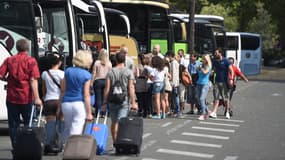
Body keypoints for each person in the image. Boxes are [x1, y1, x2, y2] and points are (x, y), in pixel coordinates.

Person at [0, 39, 42, 150]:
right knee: (29, 122)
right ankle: (28, 145)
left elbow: (1, 74)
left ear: (17, 48)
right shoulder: (31, 61)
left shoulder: (9, 60)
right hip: (27, 97)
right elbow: (33, 80)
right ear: (27, 48)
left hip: (12, 96)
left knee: (14, 124)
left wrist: (7, 79)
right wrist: (37, 98)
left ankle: (16, 146)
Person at [101, 51, 138, 144]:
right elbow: (131, 87)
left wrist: (104, 102)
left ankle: (115, 141)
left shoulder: (110, 72)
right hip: (124, 100)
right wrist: (133, 102)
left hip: (112, 99)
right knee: (121, 122)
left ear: (116, 60)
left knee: (114, 122)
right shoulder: (128, 72)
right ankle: (120, 142)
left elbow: (107, 88)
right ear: (124, 60)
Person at [61, 50, 93, 143]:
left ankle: (65, 146)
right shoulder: (87, 75)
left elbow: (63, 90)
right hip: (78, 103)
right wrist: (89, 112)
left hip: (66, 103)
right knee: (76, 128)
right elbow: (86, 95)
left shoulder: (68, 71)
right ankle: (72, 149)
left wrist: (59, 106)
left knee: (67, 127)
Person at [41, 52, 64, 153]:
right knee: (60, 122)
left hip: (49, 100)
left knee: (50, 123)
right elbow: (63, 90)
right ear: (59, 63)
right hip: (59, 100)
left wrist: (44, 97)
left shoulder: (45, 74)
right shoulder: (62, 74)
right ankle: (59, 144)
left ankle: (48, 144)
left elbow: (44, 89)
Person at [209, 48, 234, 119]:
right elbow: (214, 69)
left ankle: (227, 112)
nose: (215, 54)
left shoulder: (226, 61)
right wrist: (212, 72)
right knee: (216, 98)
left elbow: (231, 70)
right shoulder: (215, 61)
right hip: (216, 81)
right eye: (215, 53)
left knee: (225, 98)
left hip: (225, 82)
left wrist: (231, 79)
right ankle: (214, 112)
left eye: (216, 53)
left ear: (220, 53)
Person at [91, 48, 112, 116]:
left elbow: (94, 73)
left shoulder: (97, 62)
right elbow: (111, 74)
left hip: (98, 81)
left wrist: (91, 82)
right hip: (106, 81)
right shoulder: (109, 63)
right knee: (105, 97)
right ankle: (105, 112)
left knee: (98, 98)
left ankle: (98, 112)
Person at [196, 55, 212, 120]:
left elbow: (205, 72)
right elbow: (196, 70)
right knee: (199, 99)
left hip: (205, 84)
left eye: (204, 59)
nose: (202, 60)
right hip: (199, 83)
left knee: (202, 99)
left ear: (207, 60)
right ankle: (208, 111)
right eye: (202, 59)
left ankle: (203, 114)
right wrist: (198, 67)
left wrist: (201, 68)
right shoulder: (201, 65)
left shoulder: (208, 66)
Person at [166, 50, 181, 117]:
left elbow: (174, 74)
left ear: (170, 56)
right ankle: (175, 110)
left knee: (175, 97)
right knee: (174, 97)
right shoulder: (173, 62)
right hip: (174, 83)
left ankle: (177, 111)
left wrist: (173, 83)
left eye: (167, 56)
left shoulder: (173, 63)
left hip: (174, 83)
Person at [134, 53, 148, 117]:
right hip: (144, 82)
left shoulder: (138, 66)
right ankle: (145, 111)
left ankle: (140, 111)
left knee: (139, 98)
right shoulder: (146, 66)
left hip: (139, 82)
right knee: (144, 98)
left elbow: (137, 75)